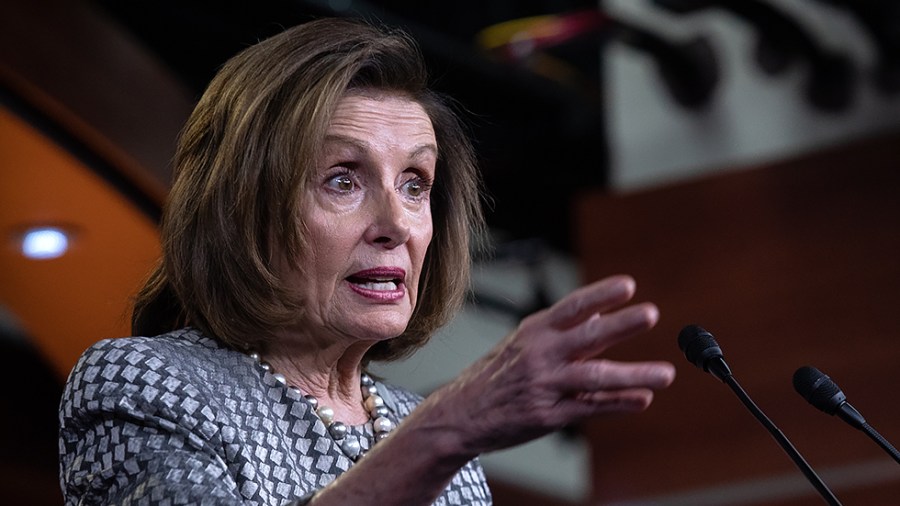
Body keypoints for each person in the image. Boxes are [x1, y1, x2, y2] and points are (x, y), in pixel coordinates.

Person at [58, 17, 675, 506]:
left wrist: (441, 435)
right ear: (242, 209)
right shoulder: (145, 385)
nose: (397, 225)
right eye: (343, 180)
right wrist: (444, 434)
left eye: (414, 183)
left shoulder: (426, 433)